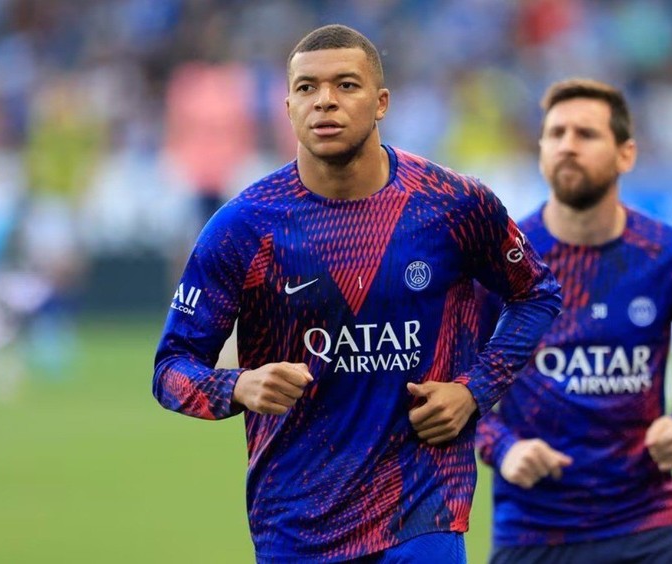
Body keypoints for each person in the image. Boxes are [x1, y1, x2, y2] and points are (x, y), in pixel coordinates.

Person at [152, 24, 561, 563]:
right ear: (289, 106)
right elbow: (171, 369)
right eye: (306, 89)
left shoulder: (452, 205)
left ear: (381, 102)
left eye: (346, 85)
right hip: (296, 524)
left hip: (421, 514)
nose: (325, 101)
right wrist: (239, 387)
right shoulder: (244, 227)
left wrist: (473, 391)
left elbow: (537, 293)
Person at [476, 78, 672, 564]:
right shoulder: (504, 260)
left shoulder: (670, 256)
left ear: (626, 154)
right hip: (534, 531)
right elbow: (448, 374)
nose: (567, 146)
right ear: (540, 150)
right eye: (555, 134)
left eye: (585, 134)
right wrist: (502, 447)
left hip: (645, 526)